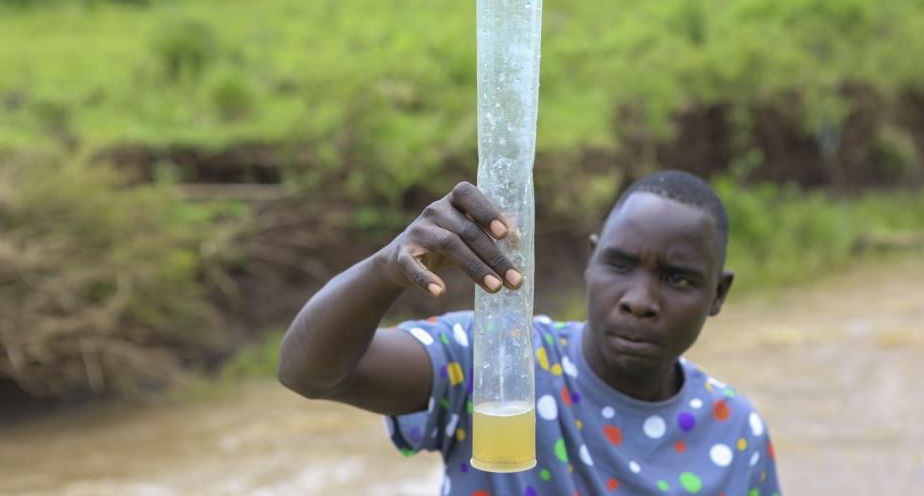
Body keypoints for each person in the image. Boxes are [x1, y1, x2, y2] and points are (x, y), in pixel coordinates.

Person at [278, 170, 782, 495]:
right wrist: (387, 267)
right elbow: (309, 373)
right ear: (591, 261)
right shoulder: (498, 363)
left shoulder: (735, 431)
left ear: (718, 295)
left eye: (678, 279)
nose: (640, 301)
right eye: (620, 266)